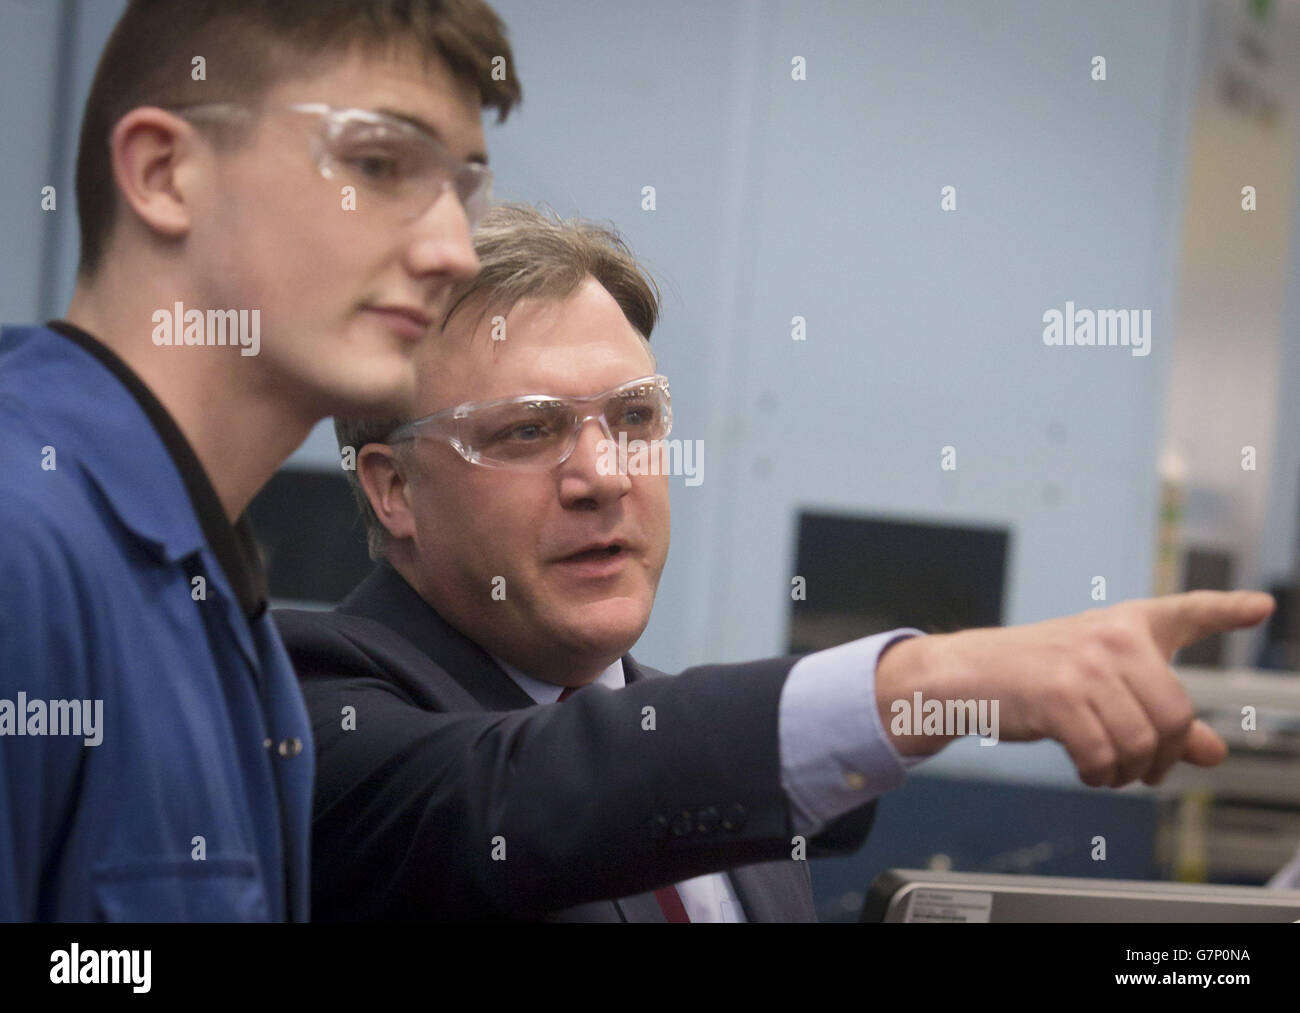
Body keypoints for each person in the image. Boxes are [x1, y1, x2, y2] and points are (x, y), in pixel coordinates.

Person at [277, 204, 1276, 921]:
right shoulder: (314, 712)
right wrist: (938, 679)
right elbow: (534, 794)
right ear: (393, 487)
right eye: (530, 430)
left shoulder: (727, 772)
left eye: (633, 418)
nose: (602, 475)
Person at [0, 0, 519, 921]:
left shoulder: (208, 598)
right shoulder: (21, 541)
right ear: (165, 173)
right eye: (376, 164)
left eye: (461, 188)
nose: (454, 252)